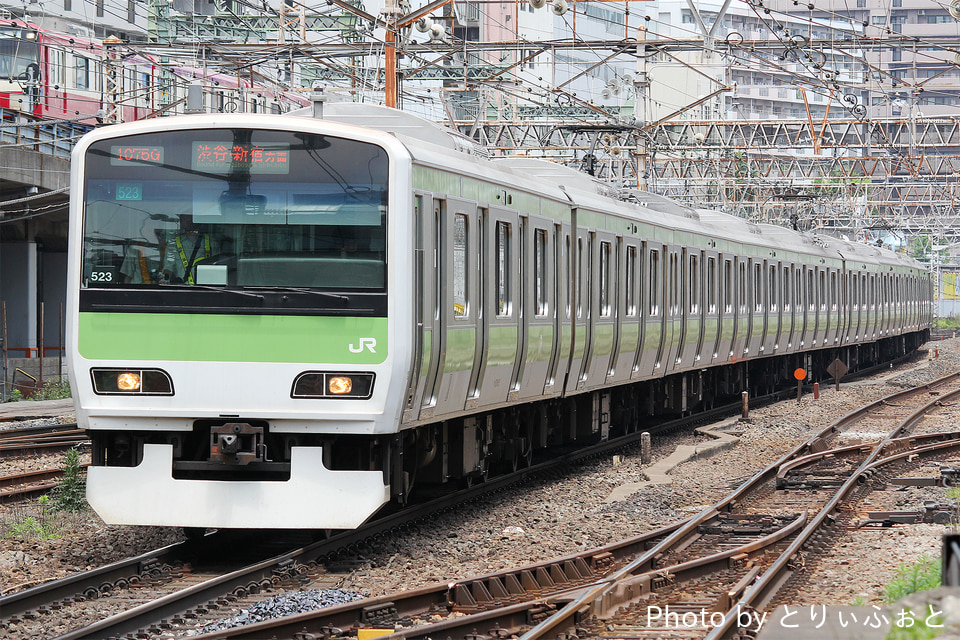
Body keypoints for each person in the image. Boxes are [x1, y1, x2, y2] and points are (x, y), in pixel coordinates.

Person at [160, 215, 220, 284]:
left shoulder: (212, 243)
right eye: (185, 217)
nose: (188, 220)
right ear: (181, 220)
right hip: (181, 289)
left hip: (207, 289)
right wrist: (164, 280)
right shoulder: (173, 244)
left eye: (191, 217)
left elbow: (218, 268)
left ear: (198, 220)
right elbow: (168, 267)